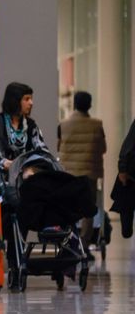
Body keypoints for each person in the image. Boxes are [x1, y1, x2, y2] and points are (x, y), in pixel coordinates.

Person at [0, 82, 49, 279]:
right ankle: (8, 260)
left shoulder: (31, 126)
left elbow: (42, 150)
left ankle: (16, 263)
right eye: (26, 99)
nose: (31, 103)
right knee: (7, 216)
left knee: (22, 214)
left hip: (22, 184)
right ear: (15, 101)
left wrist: (32, 167)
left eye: (31, 98)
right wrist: (4, 162)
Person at [57, 91, 106, 247]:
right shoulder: (97, 125)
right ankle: (84, 243)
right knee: (88, 209)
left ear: (75, 104)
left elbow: (58, 147)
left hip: (69, 174)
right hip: (89, 174)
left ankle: (69, 240)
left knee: (68, 207)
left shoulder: (63, 125)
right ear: (89, 105)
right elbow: (103, 148)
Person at [111, 119, 135, 238]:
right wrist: (122, 169)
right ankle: (127, 228)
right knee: (126, 203)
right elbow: (127, 148)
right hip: (131, 173)